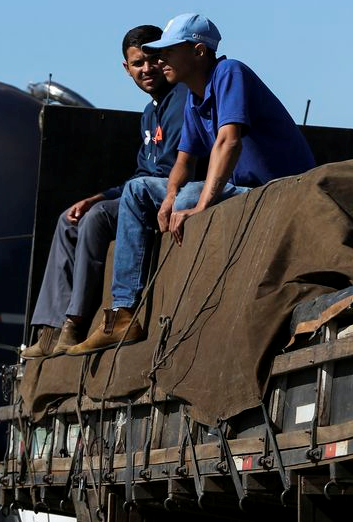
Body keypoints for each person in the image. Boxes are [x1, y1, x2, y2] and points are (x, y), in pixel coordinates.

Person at [68, 13, 316, 355]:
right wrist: (169, 198)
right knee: (139, 190)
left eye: (168, 50)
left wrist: (198, 207)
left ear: (199, 52)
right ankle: (123, 312)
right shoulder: (194, 98)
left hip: (277, 191)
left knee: (189, 196)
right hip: (242, 192)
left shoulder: (230, 73)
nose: (160, 59)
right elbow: (184, 162)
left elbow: (228, 143)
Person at [21, 24, 189, 359]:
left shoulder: (182, 100)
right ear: (126, 69)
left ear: (165, 58)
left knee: (96, 219)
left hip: (170, 193)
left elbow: (172, 171)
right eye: (138, 63)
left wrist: (105, 203)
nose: (147, 69)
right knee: (70, 218)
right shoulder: (149, 113)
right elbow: (143, 173)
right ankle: (50, 330)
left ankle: (76, 321)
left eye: (153, 59)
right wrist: (99, 195)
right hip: (140, 193)